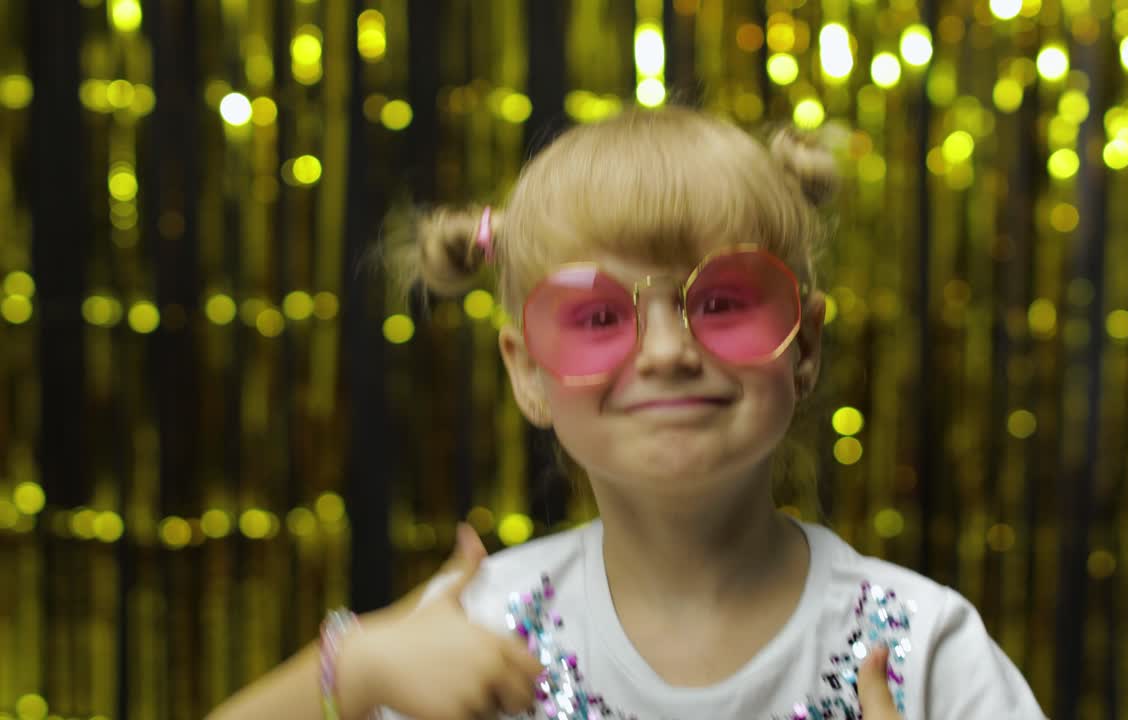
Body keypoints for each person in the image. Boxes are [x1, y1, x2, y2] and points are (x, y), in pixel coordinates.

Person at [208, 106, 1046, 720]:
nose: (667, 352)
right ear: (526, 372)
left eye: (722, 301)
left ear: (805, 343)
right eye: (598, 316)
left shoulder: (922, 647)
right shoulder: (477, 632)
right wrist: (350, 672)